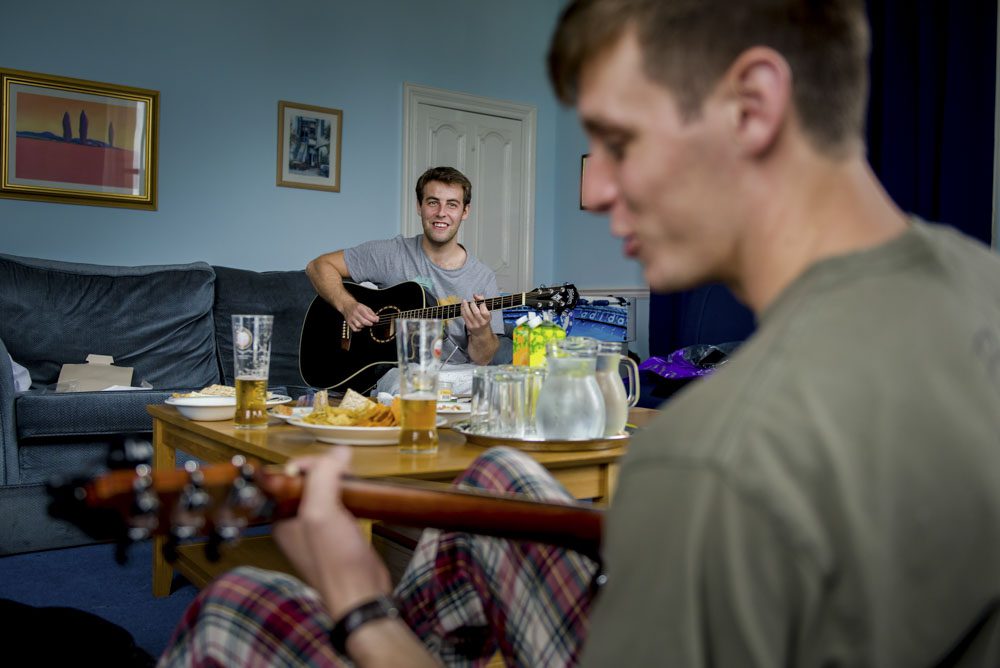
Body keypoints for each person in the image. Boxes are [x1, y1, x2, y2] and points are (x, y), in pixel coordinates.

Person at [161, 0, 1000, 666]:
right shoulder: (976, 285)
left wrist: (358, 602)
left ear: (754, 106)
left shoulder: (711, 455)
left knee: (239, 605)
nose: (593, 193)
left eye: (618, 142)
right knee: (498, 475)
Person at [306, 165, 504, 368]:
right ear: (419, 206)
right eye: (433, 202)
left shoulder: (483, 277)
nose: (441, 213)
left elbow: (483, 358)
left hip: (456, 380)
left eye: (452, 205)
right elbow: (318, 266)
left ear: (465, 211)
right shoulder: (390, 253)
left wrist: (481, 332)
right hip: (395, 376)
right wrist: (347, 305)